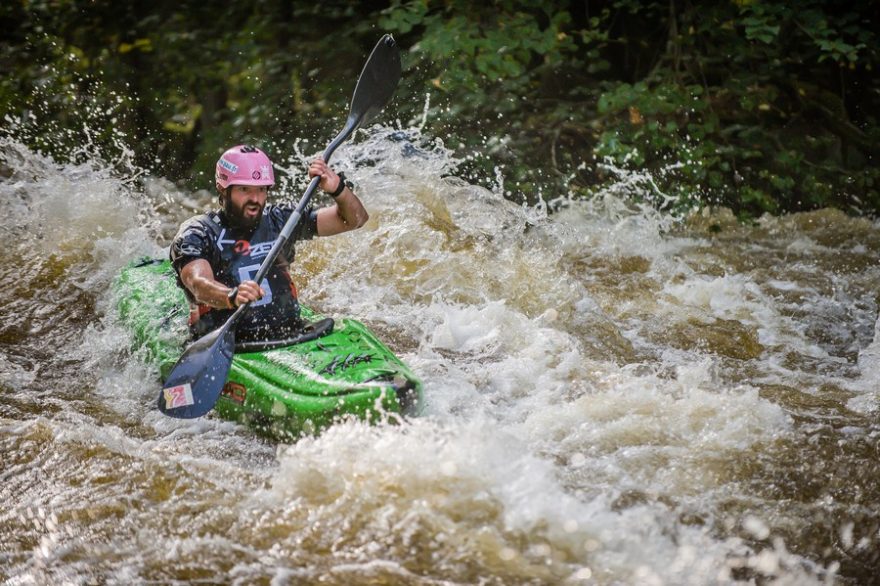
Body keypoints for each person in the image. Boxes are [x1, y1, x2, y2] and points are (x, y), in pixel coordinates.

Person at [169, 144, 368, 343]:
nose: (255, 199)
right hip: (227, 341)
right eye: (244, 189)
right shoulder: (198, 233)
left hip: (290, 332)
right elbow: (198, 284)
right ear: (222, 188)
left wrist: (338, 189)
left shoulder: (281, 220)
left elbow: (355, 220)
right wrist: (231, 296)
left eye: (261, 189)